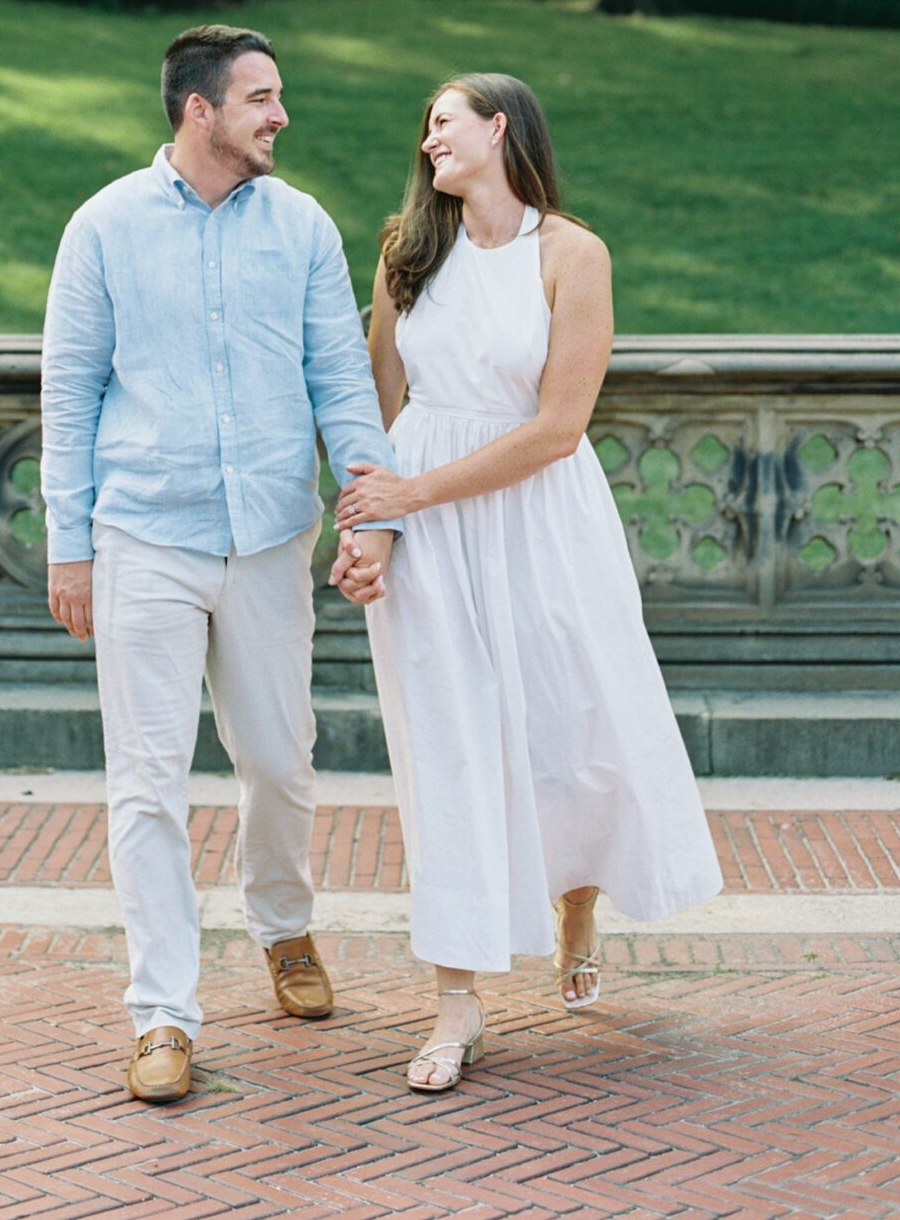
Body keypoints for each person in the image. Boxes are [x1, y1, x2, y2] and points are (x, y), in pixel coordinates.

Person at [330, 71, 722, 1094]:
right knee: (447, 749)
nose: (427, 142)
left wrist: (410, 493)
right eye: (423, 128)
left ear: (499, 126)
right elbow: (374, 408)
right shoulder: (407, 250)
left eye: (444, 122)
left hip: (544, 519)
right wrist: (373, 523)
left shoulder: (573, 252)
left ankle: (576, 895)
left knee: (570, 725)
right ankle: (456, 997)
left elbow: (557, 427)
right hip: (427, 530)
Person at [41, 23, 399, 1104]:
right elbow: (70, 389)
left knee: (281, 758)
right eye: (261, 98)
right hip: (144, 536)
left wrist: (368, 504)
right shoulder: (103, 226)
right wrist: (71, 541)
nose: (279, 115)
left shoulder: (299, 227)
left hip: (266, 539)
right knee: (146, 780)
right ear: (199, 110)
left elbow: (342, 377)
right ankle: (162, 1013)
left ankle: (284, 927)